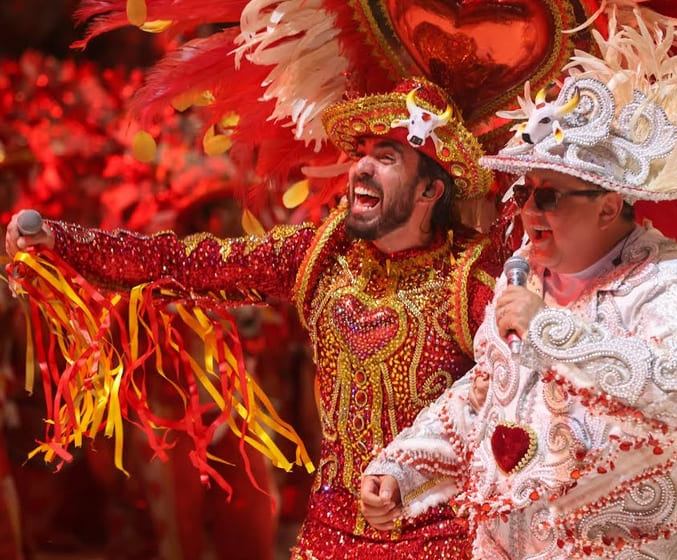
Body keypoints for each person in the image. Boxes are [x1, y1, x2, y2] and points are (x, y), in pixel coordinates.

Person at [4, 78, 508, 559]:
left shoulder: (473, 278)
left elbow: (515, 392)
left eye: (386, 157)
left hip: (443, 537)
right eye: (362, 154)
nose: (361, 168)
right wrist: (62, 240)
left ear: (429, 192)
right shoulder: (323, 255)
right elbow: (187, 265)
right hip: (330, 536)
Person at [360, 18, 677, 559]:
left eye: (549, 197)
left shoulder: (667, 285)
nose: (527, 212)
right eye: (525, 192)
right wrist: (402, 467)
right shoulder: (523, 274)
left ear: (608, 208)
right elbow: (484, 394)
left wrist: (551, 331)